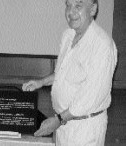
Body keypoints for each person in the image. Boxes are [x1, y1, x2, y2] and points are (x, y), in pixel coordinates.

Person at [22, 0, 117, 145]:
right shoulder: (68, 35)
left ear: (92, 10)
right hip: (64, 125)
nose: (70, 12)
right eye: (68, 5)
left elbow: (92, 96)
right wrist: (41, 82)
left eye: (78, 6)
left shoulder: (102, 45)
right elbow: (63, 73)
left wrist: (59, 120)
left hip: (85, 130)